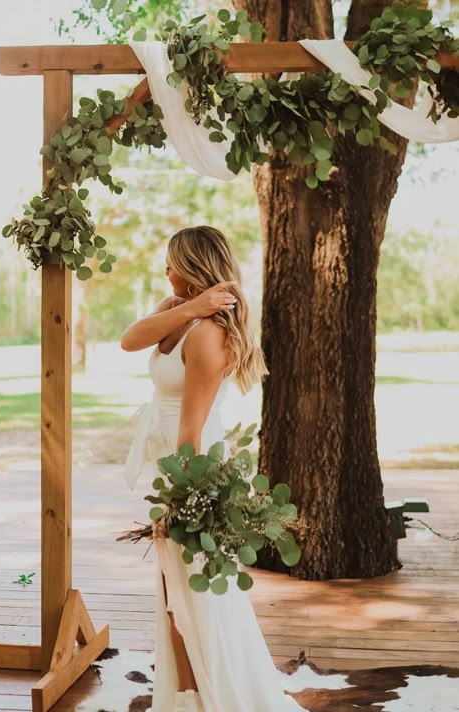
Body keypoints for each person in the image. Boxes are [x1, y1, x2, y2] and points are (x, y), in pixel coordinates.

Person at [121, 226, 305, 712]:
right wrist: (190, 305)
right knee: (171, 593)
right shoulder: (177, 313)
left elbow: (192, 428)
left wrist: (178, 502)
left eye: (171, 263)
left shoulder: (208, 335)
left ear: (194, 267)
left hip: (193, 467)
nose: (165, 271)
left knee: (196, 594)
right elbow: (128, 340)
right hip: (171, 463)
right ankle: (185, 696)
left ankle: (213, 697)